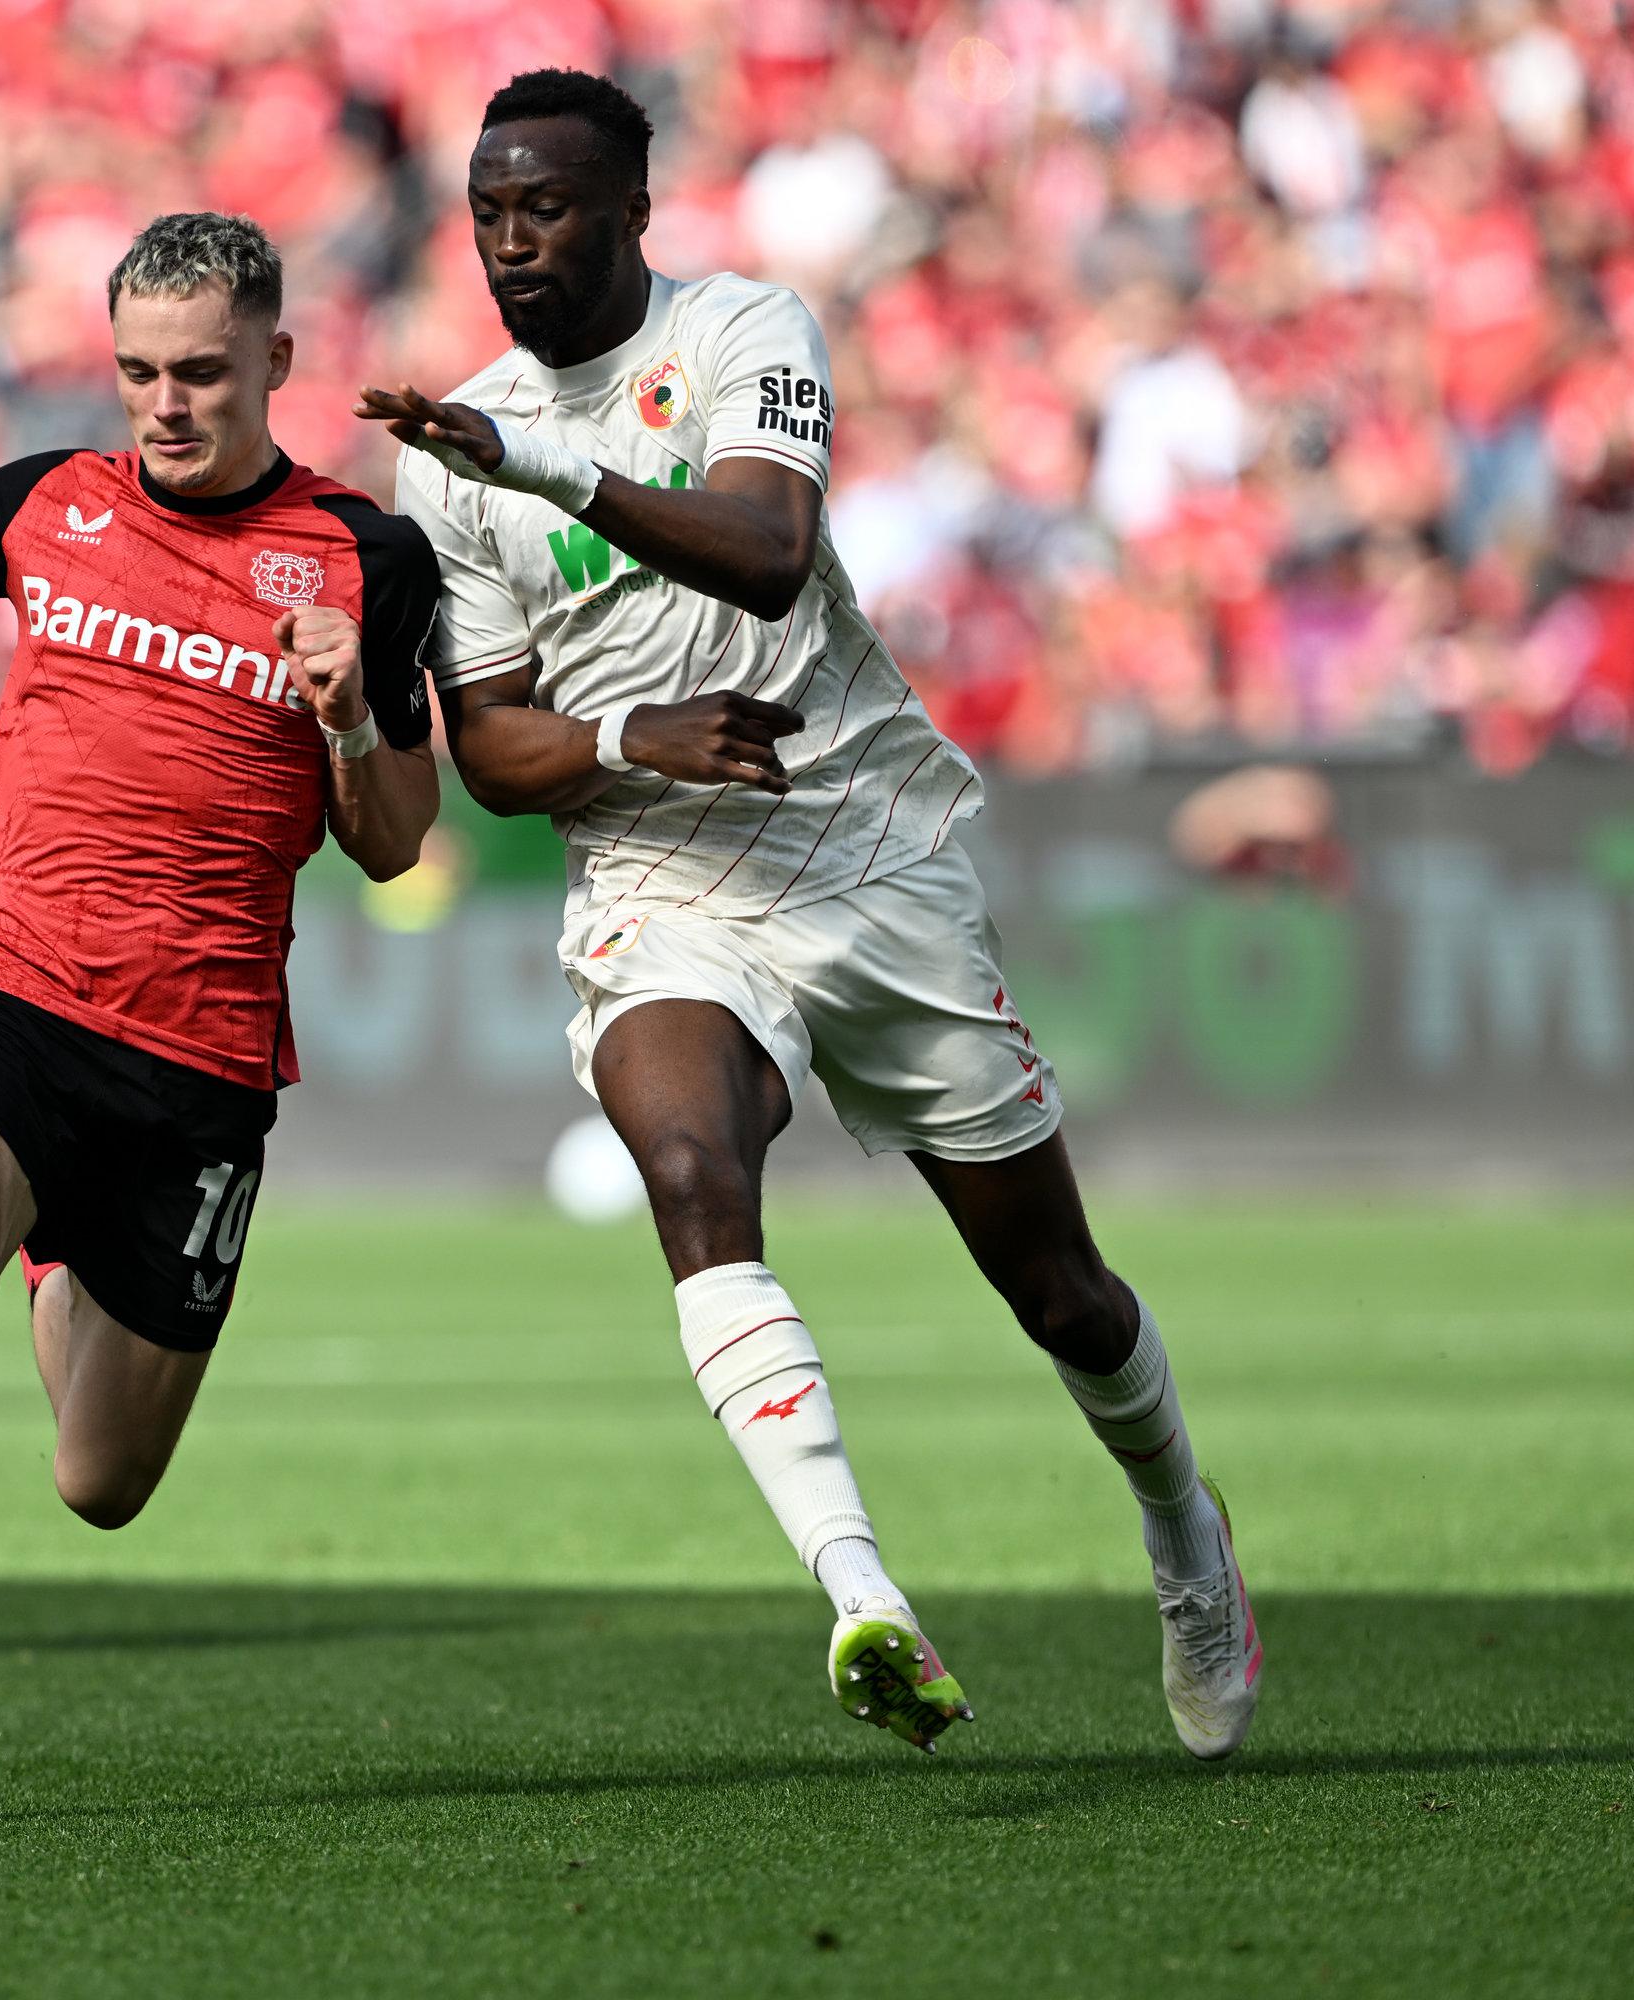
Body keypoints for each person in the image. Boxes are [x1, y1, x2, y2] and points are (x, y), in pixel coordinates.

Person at [361, 70, 1260, 1758]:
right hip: (660, 870)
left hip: (862, 849)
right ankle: (863, 1596)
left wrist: (551, 465)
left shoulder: (741, 332)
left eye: (546, 208)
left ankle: (1185, 1533)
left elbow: (772, 551)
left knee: (1059, 1292)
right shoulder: (455, 456)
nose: (511, 242)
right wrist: (629, 738)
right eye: (488, 215)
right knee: (690, 1170)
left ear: (633, 210)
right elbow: (489, 748)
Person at [0, 212, 443, 1830]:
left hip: (200, 1060)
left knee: (101, 1481)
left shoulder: (366, 558)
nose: (165, 404)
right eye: (138, 372)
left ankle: (58, 1244)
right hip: (7, 997)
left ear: (275, 362)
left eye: (201, 374)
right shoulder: (52, 503)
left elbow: (394, 839)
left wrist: (346, 718)